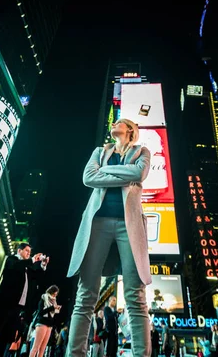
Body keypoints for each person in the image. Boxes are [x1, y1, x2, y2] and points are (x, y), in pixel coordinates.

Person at [66, 118, 151, 356]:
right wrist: (125, 175)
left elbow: (139, 174)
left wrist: (105, 171)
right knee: (85, 295)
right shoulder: (99, 151)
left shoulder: (142, 151)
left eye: (120, 122)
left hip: (130, 226)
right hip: (97, 224)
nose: (114, 123)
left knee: (135, 296)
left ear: (130, 130)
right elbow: (88, 177)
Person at [0, 242, 48, 356]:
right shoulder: (12, 260)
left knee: (5, 336)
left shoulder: (26, 266)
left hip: (17, 308)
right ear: (19, 251)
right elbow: (15, 267)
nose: (29, 254)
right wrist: (32, 260)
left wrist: (43, 265)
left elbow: (36, 277)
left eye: (30, 252)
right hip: (5, 304)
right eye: (26, 251)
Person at [30, 285, 61, 357]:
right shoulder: (43, 298)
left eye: (56, 294)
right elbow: (41, 312)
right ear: (51, 291)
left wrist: (56, 309)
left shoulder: (54, 301)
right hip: (42, 323)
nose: (55, 295)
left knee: (42, 349)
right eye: (54, 293)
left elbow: (52, 314)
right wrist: (52, 307)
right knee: (36, 347)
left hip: (49, 325)